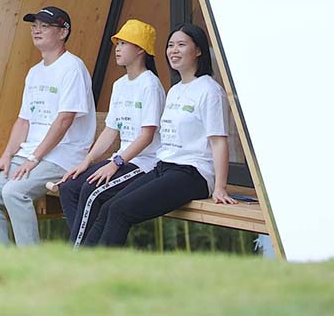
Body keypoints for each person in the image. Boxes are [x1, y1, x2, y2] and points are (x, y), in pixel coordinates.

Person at [78, 22, 236, 247]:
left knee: (122, 211)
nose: (173, 50)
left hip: (192, 173)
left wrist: (219, 186)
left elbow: (218, 141)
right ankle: (81, 268)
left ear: (198, 50)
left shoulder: (209, 90)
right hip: (164, 167)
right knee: (110, 205)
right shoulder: (175, 90)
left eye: (181, 45)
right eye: (170, 45)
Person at [0, 5, 95, 245]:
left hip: (62, 156)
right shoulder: (34, 72)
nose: (37, 30)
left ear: (63, 32)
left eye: (45, 26)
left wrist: (35, 158)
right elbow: (23, 120)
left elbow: (64, 119)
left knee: (14, 193)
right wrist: (6, 156)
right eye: (34, 25)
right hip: (30, 155)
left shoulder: (72, 67)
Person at [55, 18, 166, 247]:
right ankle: (89, 248)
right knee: (69, 187)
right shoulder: (119, 84)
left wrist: (115, 162)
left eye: (124, 43)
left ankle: (78, 255)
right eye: (118, 43)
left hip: (146, 163)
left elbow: (146, 137)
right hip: (123, 160)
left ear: (140, 50)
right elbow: (110, 130)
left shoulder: (150, 85)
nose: (118, 48)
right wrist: (87, 161)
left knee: (93, 190)